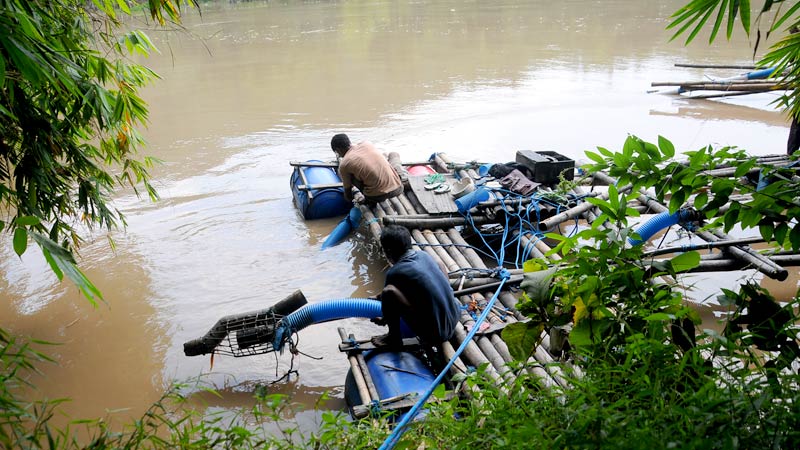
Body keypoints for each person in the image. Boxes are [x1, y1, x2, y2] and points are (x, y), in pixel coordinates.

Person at [371, 225, 461, 353]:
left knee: (388, 292)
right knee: (439, 264)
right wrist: (377, 298)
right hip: (455, 316)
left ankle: (393, 337)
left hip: (438, 334)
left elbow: (390, 296)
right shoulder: (423, 255)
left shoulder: (394, 272)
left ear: (388, 251)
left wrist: (384, 319)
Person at [331, 133, 403, 205]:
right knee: (383, 158)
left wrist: (348, 200)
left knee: (349, 176)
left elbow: (348, 191)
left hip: (377, 196)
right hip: (398, 188)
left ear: (338, 150)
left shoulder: (344, 164)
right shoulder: (367, 143)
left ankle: (371, 200)